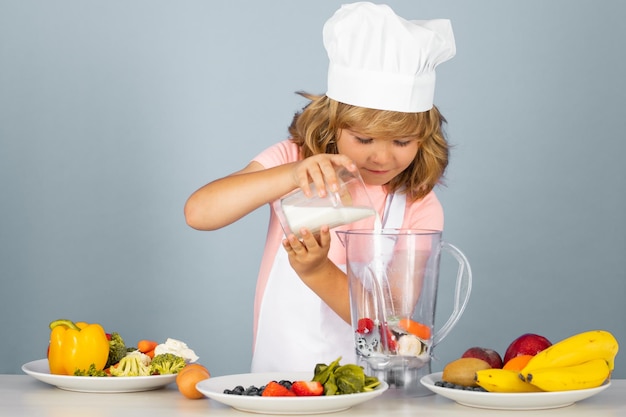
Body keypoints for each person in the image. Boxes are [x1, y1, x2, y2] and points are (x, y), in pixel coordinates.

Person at [184, 2, 456, 372]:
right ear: (333, 125)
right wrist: (294, 174)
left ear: (424, 140)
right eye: (364, 139)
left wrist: (317, 271)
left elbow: (392, 323)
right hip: (281, 385)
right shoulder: (292, 159)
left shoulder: (417, 204)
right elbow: (199, 213)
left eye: (402, 142)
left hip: (373, 394)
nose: (382, 157)